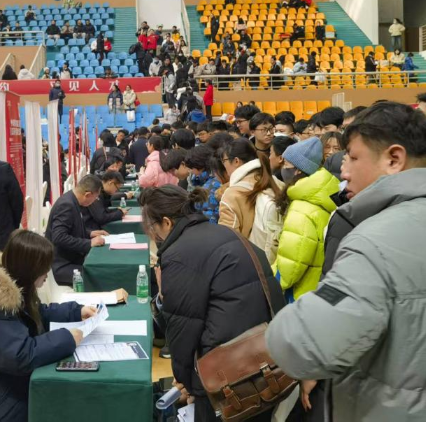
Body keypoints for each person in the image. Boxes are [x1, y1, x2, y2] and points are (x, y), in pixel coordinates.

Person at [266, 102, 426, 422]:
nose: (344, 171)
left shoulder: (373, 241)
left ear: (394, 159)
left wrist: (282, 326)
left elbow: (304, 344)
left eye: (353, 157)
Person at [145, 185, 284, 422]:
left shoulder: (178, 254)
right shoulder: (227, 233)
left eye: (152, 228)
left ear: (166, 222)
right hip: (265, 358)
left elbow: (183, 329)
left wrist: (189, 385)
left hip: (225, 375)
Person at [0, 230, 92, 422]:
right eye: (44, 268)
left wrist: (76, 311)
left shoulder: (13, 290)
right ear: (30, 270)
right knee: (57, 404)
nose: (47, 273)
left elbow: (38, 312)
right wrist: (67, 338)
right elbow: (21, 355)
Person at [273, 137, 339, 302]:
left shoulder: (302, 209)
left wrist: (273, 284)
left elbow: (292, 263)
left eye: (286, 164)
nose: (283, 168)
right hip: (316, 288)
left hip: (298, 294)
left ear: (298, 170)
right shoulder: (320, 197)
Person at [217, 140, 282, 260]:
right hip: (279, 258)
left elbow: (228, 239)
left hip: (251, 261)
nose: (224, 166)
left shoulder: (232, 194)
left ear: (236, 161)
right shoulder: (275, 182)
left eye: (224, 161)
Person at [44, 174, 107, 285]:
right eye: (95, 198)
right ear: (88, 195)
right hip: (62, 265)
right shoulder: (67, 205)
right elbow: (59, 237)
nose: (95, 201)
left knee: (102, 266)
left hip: (72, 258)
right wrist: (89, 243)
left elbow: (71, 228)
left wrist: (90, 233)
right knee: (101, 275)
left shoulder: (72, 199)